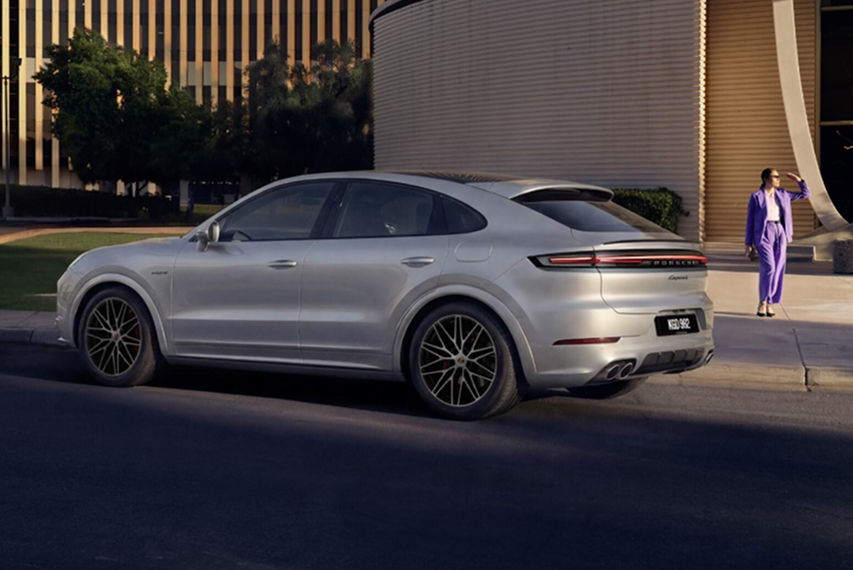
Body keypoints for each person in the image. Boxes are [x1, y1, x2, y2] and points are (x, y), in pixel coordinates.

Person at [744, 169, 811, 317]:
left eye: (778, 177)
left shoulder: (783, 194)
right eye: (775, 177)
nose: (778, 179)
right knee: (769, 267)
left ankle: (770, 302)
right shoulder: (756, 197)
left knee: (779, 268)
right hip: (763, 233)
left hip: (780, 232)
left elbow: (806, 194)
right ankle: (762, 301)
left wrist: (799, 181)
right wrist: (748, 242)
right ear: (766, 179)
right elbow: (750, 220)